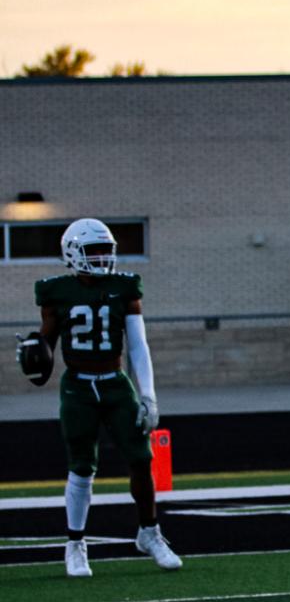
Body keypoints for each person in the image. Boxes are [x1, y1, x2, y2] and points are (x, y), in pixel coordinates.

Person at [16, 217, 182, 578]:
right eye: (95, 251)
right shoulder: (56, 291)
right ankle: (75, 544)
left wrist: (148, 395)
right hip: (77, 386)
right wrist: (35, 349)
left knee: (141, 458)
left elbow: (138, 345)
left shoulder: (124, 288)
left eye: (107, 250)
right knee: (81, 466)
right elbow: (47, 339)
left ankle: (149, 533)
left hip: (115, 383)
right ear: (73, 253)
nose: (103, 257)